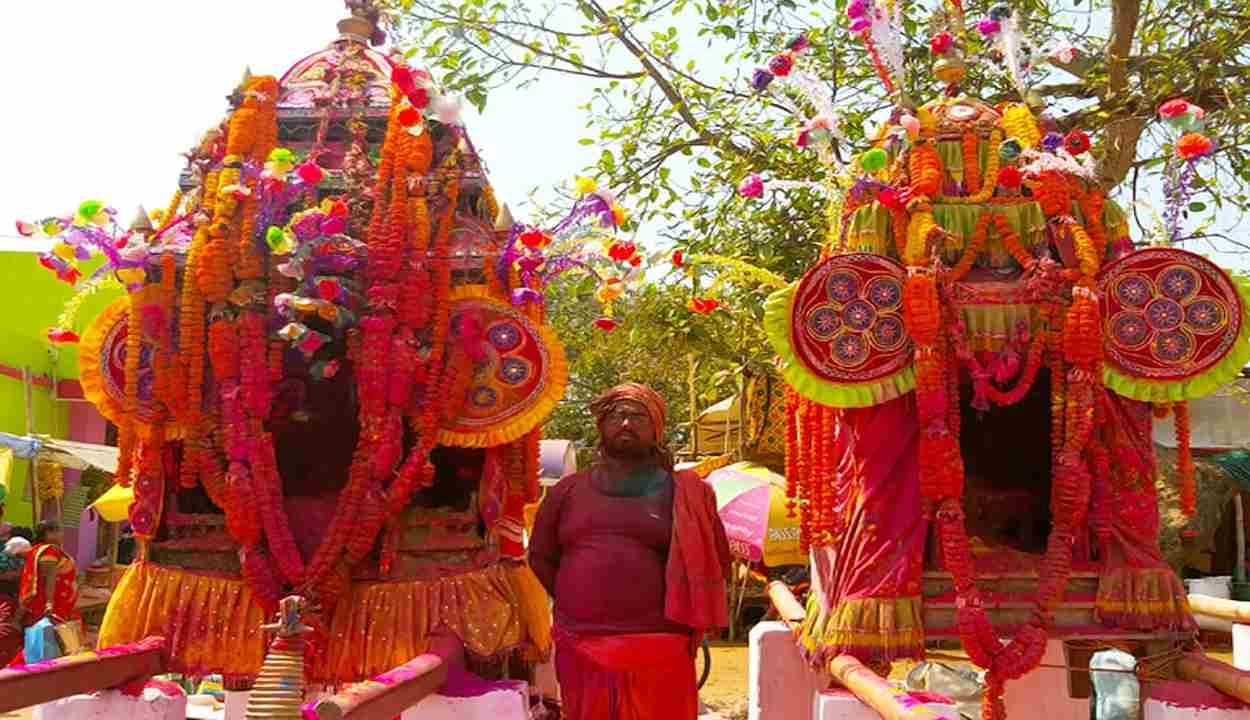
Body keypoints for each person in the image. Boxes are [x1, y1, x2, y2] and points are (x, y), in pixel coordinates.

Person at [529, 383, 731, 720]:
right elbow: (540, 557)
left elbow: (716, 559)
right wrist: (577, 598)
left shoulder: (688, 494)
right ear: (601, 426)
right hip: (581, 646)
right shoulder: (567, 492)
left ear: (656, 430)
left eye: (638, 416)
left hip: (662, 646)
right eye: (616, 416)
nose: (626, 423)